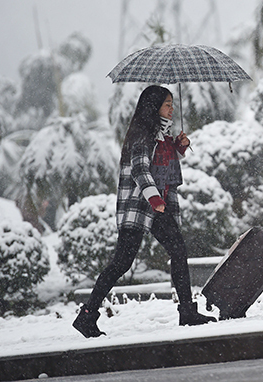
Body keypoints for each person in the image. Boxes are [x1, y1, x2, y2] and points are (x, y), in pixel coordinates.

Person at [73, 85, 216, 338]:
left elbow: (164, 164)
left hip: (157, 206)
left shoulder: (162, 136)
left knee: (178, 250)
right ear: (154, 107)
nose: (172, 109)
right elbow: (140, 169)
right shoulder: (143, 135)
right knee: (122, 262)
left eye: (172, 104)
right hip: (140, 206)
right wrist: (154, 199)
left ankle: (187, 311)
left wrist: (179, 146)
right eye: (167, 104)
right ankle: (87, 315)